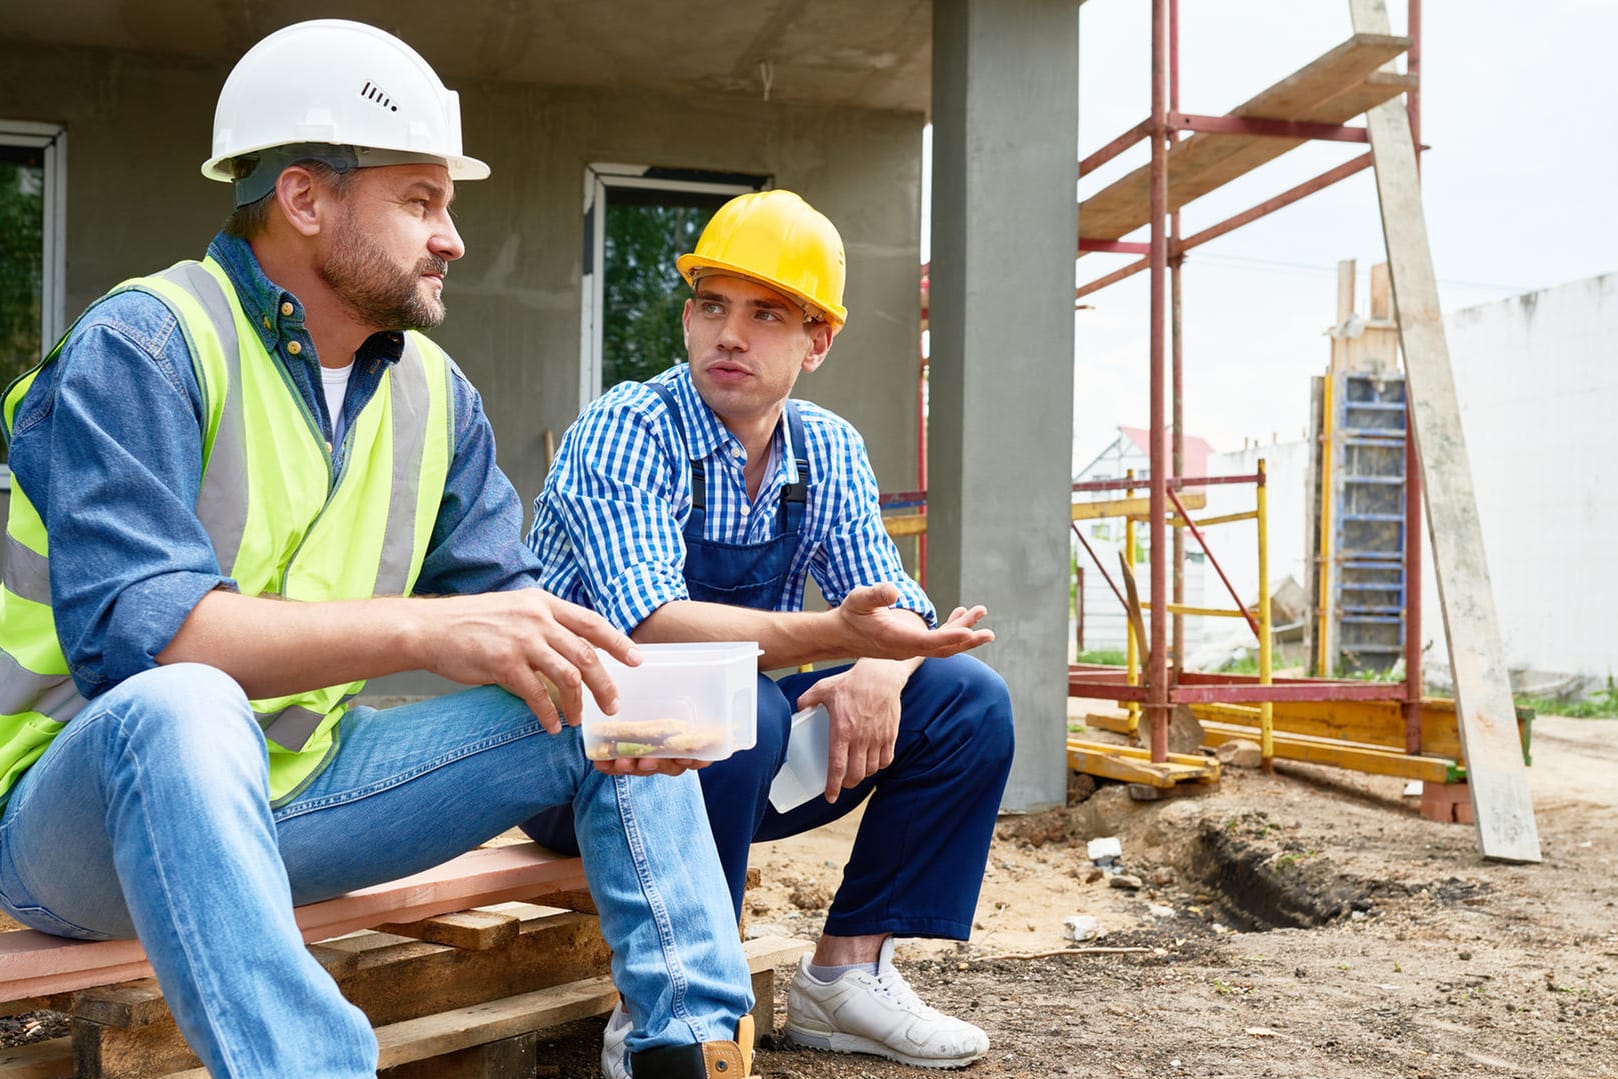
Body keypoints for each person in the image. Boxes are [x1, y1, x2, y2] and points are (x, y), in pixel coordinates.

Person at [0, 20, 758, 1079]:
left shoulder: (436, 397)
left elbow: (525, 626)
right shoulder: (148, 343)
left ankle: (690, 1049)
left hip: (304, 791)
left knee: (604, 688)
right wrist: (427, 626)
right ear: (305, 199)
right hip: (78, 826)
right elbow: (153, 644)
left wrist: (627, 732)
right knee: (186, 701)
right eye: (420, 201)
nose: (450, 235)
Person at [526, 189, 1015, 1073]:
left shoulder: (825, 450)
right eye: (712, 305)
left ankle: (846, 979)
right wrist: (840, 630)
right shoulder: (628, 429)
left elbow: (900, 605)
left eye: (765, 314)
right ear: (686, 319)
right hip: (579, 757)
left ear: (816, 342)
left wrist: (881, 667)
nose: (730, 334)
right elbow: (653, 624)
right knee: (733, 702)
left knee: (968, 700)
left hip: (728, 756)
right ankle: (666, 1000)